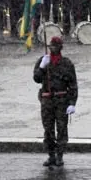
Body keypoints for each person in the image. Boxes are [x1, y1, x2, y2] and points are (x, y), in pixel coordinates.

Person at [33, 36, 78, 167]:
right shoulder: (43, 60)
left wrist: (72, 103)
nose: (52, 48)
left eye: (55, 46)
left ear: (60, 47)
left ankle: (60, 155)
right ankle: (51, 155)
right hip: (47, 100)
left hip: (61, 100)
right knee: (48, 129)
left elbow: (73, 84)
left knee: (62, 129)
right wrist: (42, 67)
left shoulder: (67, 63)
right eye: (51, 46)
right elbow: (36, 79)